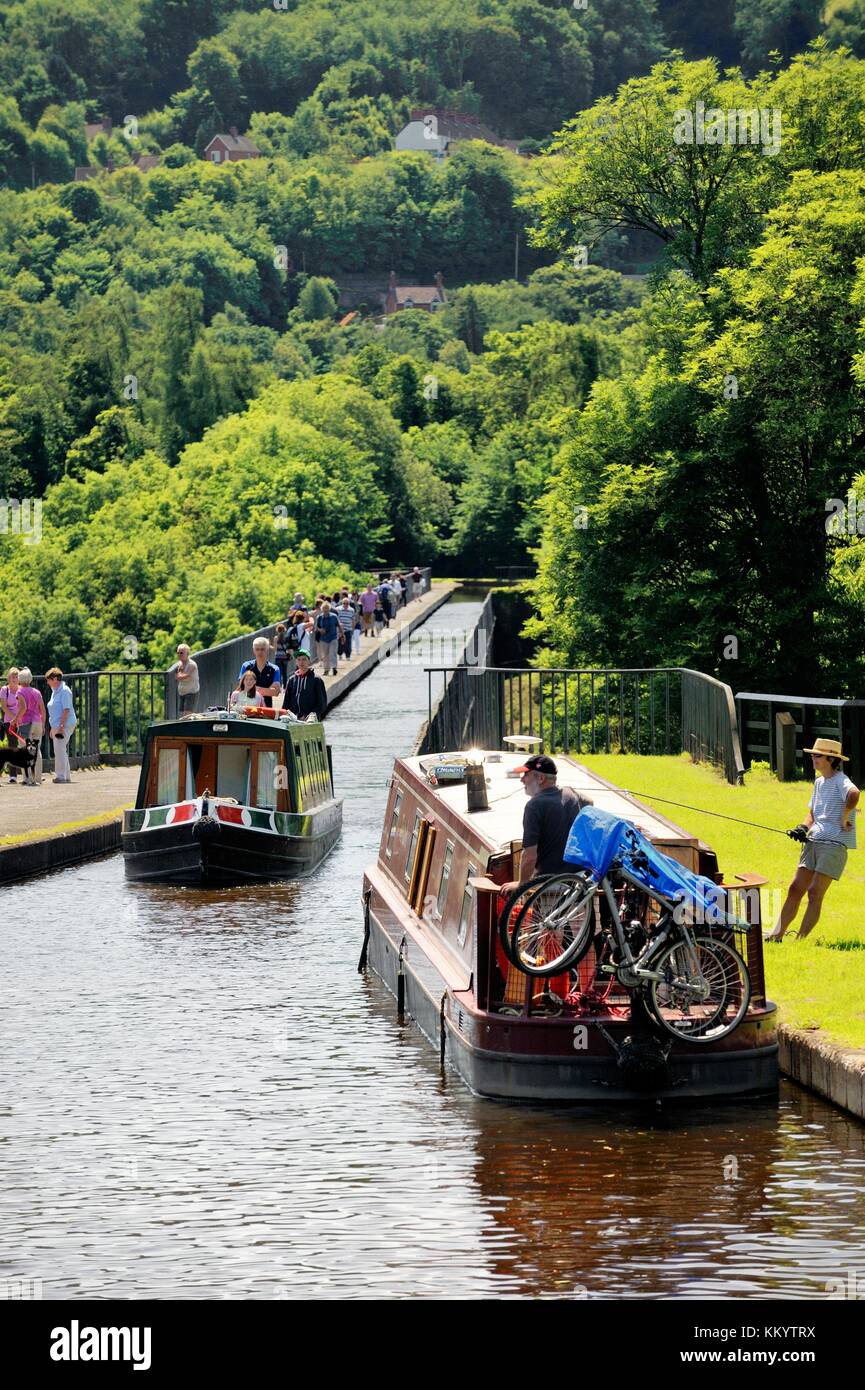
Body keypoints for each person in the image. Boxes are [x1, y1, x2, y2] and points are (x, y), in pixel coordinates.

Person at [766, 738, 860, 943]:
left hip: (834, 844)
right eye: (812, 755)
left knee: (814, 892)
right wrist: (802, 828)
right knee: (795, 889)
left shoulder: (841, 780)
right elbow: (812, 813)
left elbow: (854, 794)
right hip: (814, 840)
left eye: (817, 755)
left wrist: (844, 817)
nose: (813, 759)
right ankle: (776, 935)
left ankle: (800, 941)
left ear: (831, 759)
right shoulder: (819, 782)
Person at [501, 754, 591, 893]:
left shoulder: (534, 806)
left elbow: (530, 855)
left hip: (551, 884)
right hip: (579, 880)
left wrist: (521, 884)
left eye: (526, 774)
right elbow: (589, 802)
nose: (522, 780)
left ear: (541, 778)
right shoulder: (571, 793)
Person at [45, 667, 77, 783]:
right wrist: (53, 727)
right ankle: (66, 776)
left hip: (65, 724)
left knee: (59, 749)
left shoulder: (64, 691)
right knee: (61, 749)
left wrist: (61, 727)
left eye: (48, 680)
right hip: (57, 725)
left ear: (54, 679)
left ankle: (61, 776)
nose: (47, 682)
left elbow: (66, 710)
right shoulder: (56, 691)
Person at [17, 668, 45, 786]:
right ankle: (37, 778)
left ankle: (27, 779)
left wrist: (15, 719)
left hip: (25, 724)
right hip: (38, 722)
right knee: (36, 751)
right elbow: (42, 710)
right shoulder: (37, 692)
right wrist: (43, 725)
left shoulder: (20, 692)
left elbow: (23, 709)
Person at [282, 652, 328, 722]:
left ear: (309, 661)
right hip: (293, 718)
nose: (301, 662)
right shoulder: (291, 680)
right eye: (299, 659)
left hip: (310, 719)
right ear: (296, 662)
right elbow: (286, 703)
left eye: (304, 659)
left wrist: (308, 716)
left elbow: (322, 704)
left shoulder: (316, 680)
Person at [238, 637, 282, 708]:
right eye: (257, 649)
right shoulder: (246, 666)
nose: (259, 652)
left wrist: (251, 688)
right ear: (253, 650)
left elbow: (276, 692)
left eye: (262, 649)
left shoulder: (274, 669)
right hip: (247, 707)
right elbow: (241, 687)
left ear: (267, 650)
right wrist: (268, 691)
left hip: (266, 709)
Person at [0, 667, 27, 783]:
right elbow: (4, 707)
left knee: (25, 746)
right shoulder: (4, 690)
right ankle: (13, 776)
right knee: (12, 746)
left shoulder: (22, 690)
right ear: (8, 678)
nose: (15, 679)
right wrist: (13, 719)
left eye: (17, 676)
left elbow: (24, 707)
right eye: (12, 676)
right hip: (9, 721)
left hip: (22, 720)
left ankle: (28, 775)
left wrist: (18, 718)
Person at [169, 644, 199, 715]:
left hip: (191, 693)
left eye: (181, 653)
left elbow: (183, 677)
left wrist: (180, 676)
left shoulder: (192, 664)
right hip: (182, 693)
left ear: (187, 653)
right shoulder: (180, 664)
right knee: (182, 715)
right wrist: (179, 676)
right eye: (178, 653)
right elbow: (177, 677)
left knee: (187, 715)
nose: (179, 654)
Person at [315, 600, 339, 676]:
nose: (325, 610)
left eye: (327, 608)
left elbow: (338, 625)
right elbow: (316, 627)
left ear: (329, 609)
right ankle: (326, 670)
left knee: (333, 653)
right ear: (322, 609)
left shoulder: (334, 617)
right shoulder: (319, 617)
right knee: (325, 655)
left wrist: (342, 634)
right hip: (323, 639)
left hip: (333, 637)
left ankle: (334, 668)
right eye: (324, 608)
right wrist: (320, 630)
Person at [336, 596, 355, 663]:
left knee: (348, 643)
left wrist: (353, 629)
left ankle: (348, 656)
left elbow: (353, 620)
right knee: (340, 643)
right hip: (340, 630)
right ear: (342, 603)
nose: (345, 605)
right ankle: (340, 654)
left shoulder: (351, 610)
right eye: (344, 603)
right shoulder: (338, 609)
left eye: (347, 603)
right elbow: (337, 619)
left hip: (348, 629)